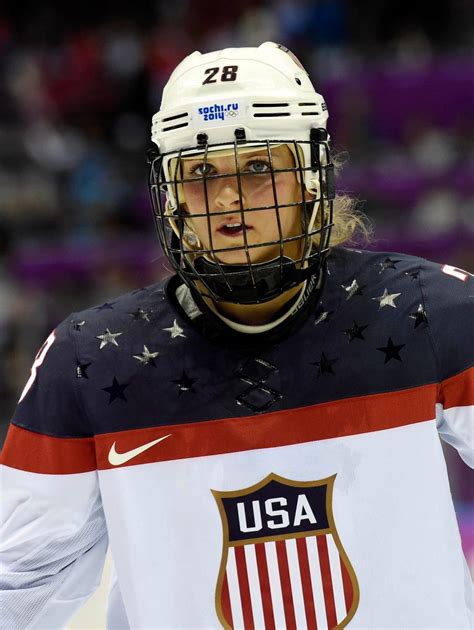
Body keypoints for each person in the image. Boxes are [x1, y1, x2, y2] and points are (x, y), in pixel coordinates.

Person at [1, 41, 472, 630]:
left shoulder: (430, 312)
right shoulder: (91, 361)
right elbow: (18, 587)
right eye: (200, 172)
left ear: (309, 176)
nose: (226, 199)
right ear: (169, 194)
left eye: (256, 167)